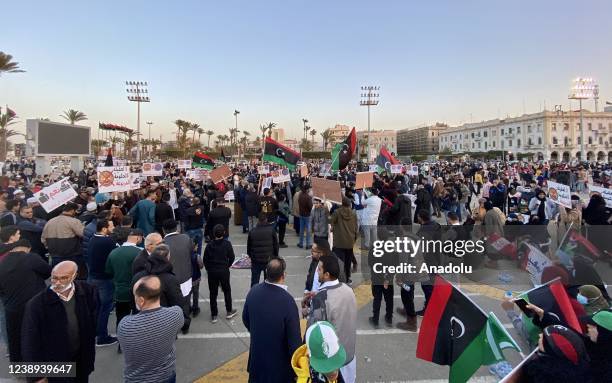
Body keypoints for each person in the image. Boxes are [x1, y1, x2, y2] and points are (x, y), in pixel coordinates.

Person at [21, 261, 99, 382]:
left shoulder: (88, 291)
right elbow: (30, 341)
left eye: (63, 278)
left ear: (74, 276)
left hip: (81, 359)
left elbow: (93, 321)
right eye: (54, 278)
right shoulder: (36, 305)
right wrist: (36, 376)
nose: (57, 282)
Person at [242, 258, 302, 383]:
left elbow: (246, 319)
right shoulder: (288, 301)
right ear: (283, 275)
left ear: (266, 272)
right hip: (279, 370)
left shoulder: (253, 291)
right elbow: (294, 342)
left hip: (257, 364)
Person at [117, 275, 184, 383]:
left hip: (137, 380)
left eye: (135, 295)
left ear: (141, 300)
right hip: (167, 376)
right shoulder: (176, 314)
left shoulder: (126, 325)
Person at [307, 255, 358, 383]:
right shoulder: (348, 290)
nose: (317, 272)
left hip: (332, 362)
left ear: (327, 274)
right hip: (350, 356)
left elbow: (313, 333)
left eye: (319, 269)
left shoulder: (320, 299)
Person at [0, 239, 51, 361]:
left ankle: (18, 364)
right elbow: (48, 272)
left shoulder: (2, 263)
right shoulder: (31, 258)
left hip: (12, 307)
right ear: (26, 248)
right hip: (35, 303)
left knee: (15, 337)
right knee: (38, 334)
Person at [131, 244, 191, 333]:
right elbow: (177, 302)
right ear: (167, 258)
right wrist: (185, 322)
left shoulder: (138, 277)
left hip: (141, 322)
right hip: (164, 324)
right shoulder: (170, 279)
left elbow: (132, 300)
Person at [105, 228, 143, 351]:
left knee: (121, 318)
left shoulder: (114, 253)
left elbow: (108, 271)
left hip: (120, 292)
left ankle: (122, 344)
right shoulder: (140, 252)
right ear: (137, 238)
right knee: (138, 319)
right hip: (137, 292)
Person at [87, 217, 118, 346]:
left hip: (93, 277)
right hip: (104, 279)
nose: (113, 228)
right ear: (104, 229)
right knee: (104, 308)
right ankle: (102, 337)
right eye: (111, 226)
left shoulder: (92, 239)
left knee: (96, 307)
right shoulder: (108, 241)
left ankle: (95, 332)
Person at [203, 224, 237, 323]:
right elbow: (232, 257)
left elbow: (205, 259)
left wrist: (209, 268)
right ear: (224, 233)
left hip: (212, 271)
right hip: (223, 271)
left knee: (213, 293)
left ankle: (214, 315)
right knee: (227, 290)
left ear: (213, 234)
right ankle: (229, 311)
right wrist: (227, 265)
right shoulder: (227, 244)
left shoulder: (209, 245)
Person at [41, 202, 85, 268]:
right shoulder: (73, 221)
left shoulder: (50, 221)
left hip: (54, 254)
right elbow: (82, 234)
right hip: (71, 254)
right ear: (72, 210)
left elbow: (43, 239)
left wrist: (50, 248)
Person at [162, 219, 194, 306]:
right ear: (176, 228)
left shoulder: (162, 244)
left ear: (163, 230)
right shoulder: (186, 238)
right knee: (186, 303)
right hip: (186, 277)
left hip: (169, 281)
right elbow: (192, 254)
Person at [330, 197, 358, 284]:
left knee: (339, 262)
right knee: (348, 261)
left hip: (339, 241)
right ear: (349, 204)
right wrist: (354, 238)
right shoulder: (354, 214)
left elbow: (330, 221)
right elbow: (356, 227)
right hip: (349, 241)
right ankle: (348, 277)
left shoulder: (337, 212)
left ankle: (340, 278)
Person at [247, 213, 279, 287]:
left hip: (256, 261)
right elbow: (276, 246)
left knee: (254, 282)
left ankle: (254, 296)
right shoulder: (271, 230)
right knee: (269, 282)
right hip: (268, 260)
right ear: (266, 220)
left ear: (258, 220)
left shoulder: (252, 231)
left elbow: (249, 247)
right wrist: (275, 257)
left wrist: (251, 256)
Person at [298, 184, 313, 249]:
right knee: (308, 230)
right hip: (307, 215)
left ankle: (301, 243)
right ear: (307, 189)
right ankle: (308, 244)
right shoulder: (308, 197)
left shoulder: (300, 195)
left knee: (301, 229)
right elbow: (310, 207)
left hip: (301, 214)